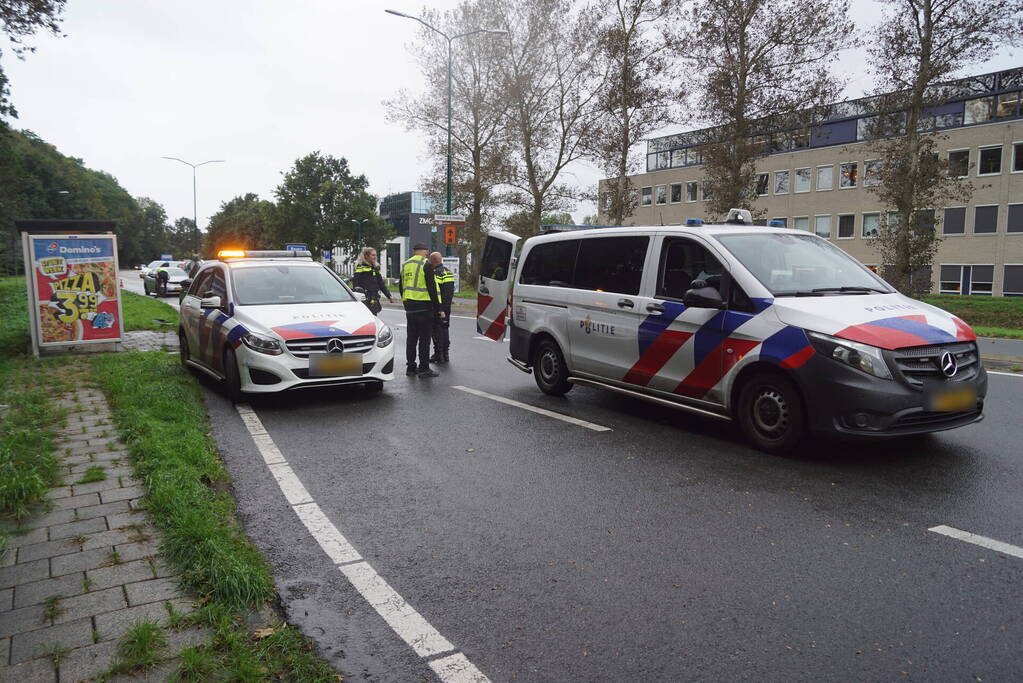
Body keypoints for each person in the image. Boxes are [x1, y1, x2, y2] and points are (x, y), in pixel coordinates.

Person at [400, 244, 444, 377]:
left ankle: (411, 368)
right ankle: (424, 368)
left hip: (410, 306)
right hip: (424, 306)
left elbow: (402, 286)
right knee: (424, 339)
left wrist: (406, 302)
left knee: (411, 338)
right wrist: (439, 309)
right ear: (426, 252)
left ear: (414, 251)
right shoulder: (426, 264)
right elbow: (431, 288)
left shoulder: (405, 264)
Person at [429, 252, 454, 364]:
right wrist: (445, 307)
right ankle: (445, 354)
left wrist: (440, 308)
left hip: (437, 307)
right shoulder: (447, 272)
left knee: (437, 332)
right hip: (446, 306)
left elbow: (434, 292)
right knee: (445, 329)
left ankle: (439, 355)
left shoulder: (434, 273)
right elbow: (449, 293)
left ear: (433, 261)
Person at [352, 247, 393, 315]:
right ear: (366, 256)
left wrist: (389, 296)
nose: (375, 257)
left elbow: (381, 283)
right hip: (364, 299)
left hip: (374, 298)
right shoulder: (360, 267)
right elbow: (355, 284)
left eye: (375, 255)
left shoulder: (375, 268)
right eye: (373, 255)